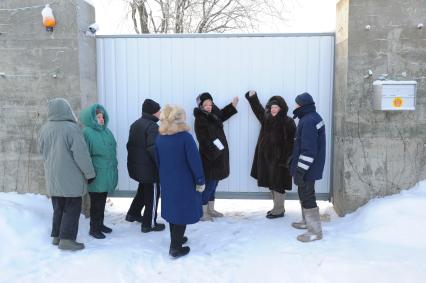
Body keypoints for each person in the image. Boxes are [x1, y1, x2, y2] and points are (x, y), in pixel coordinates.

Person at [38, 98, 95, 251]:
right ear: (66, 110)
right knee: (72, 208)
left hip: (53, 177)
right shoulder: (72, 128)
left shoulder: (44, 129)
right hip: (71, 177)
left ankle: (57, 236)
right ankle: (67, 239)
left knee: (58, 207)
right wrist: (90, 173)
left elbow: (40, 150)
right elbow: (81, 154)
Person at [155, 105, 205, 259]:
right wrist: (200, 180)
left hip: (168, 181)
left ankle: (176, 239)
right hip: (185, 182)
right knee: (182, 212)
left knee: (173, 211)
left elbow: (157, 161)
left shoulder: (160, 138)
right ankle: (175, 247)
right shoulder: (185, 137)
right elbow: (195, 162)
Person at [245, 90, 296, 219]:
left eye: (276, 107)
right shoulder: (266, 118)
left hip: (280, 161)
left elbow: (291, 143)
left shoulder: (288, 122)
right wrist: (252, 97)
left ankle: (279, 210)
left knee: (278, 184)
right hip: (266, 159)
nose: (273, 109)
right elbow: (257, 109)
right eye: (272, 107)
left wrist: (285, 159)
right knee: (272, 184)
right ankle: (276, 207)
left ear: (281, 108)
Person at [193, 92, 238, 221]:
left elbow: (222, 114)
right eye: (205, 104)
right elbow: (203, 140)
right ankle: (202, 211)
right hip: (210, 158)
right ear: (201, 106)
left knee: (215, 184)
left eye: (210, 104)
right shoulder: (200, 119)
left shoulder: (213, 115)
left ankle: (211, 209)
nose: (208, 106)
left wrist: (233, 105)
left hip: (219, 158)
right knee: (209, 185)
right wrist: (216, 152)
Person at [126, 99, 165, 233]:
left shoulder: (135, 124)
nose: (160, 113)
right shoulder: (153, 127)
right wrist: (161, 164)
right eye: (158, 110)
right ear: (153, 112)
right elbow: (153, 149)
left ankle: (133, 213)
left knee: (143, 189)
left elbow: (130, 146)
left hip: (138, 167)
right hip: (149, 169)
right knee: (153, 194)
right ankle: (150, 224)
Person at [290, 92, 325, 242]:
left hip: (308, 167)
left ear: (302, 105)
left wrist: (300, 170)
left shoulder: (309, 120)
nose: (295, 106)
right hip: (310, 165)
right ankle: (306, 222)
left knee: (307, 195)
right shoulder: (310, 117)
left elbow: (309, 150)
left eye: (296, 103)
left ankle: (315, 231)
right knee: (303, 192)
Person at [79, 104, 118, 239]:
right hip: (96, 174)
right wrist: (88, 174)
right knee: (96, 202)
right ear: (91, 119)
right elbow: (84, 155)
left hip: (107, 173)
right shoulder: (87, 133)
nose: (101, 119)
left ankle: (100, 224)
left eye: (102, 116)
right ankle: (94, 228)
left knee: (102, 200)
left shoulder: (106, 131)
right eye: (98, 117)